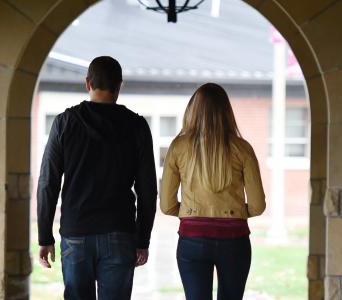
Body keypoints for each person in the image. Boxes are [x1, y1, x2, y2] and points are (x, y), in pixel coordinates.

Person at [36, 56, 157, 300]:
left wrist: (44, 235)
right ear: (119, 85)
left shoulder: (64, 123)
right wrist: (142, 239)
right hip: (120, 233)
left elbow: (48, 182)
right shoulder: (137, 126)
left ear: (87, 83)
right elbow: (148, 189)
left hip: (76, 232)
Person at [160, 83, 266, 300]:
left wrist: (192, 212)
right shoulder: (242, 148)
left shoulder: (178, 147)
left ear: (192, 110)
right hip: (234, 240)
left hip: (192, 239)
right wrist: (231, 211)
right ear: (226, 112)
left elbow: (166, 205)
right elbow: (257, 206)